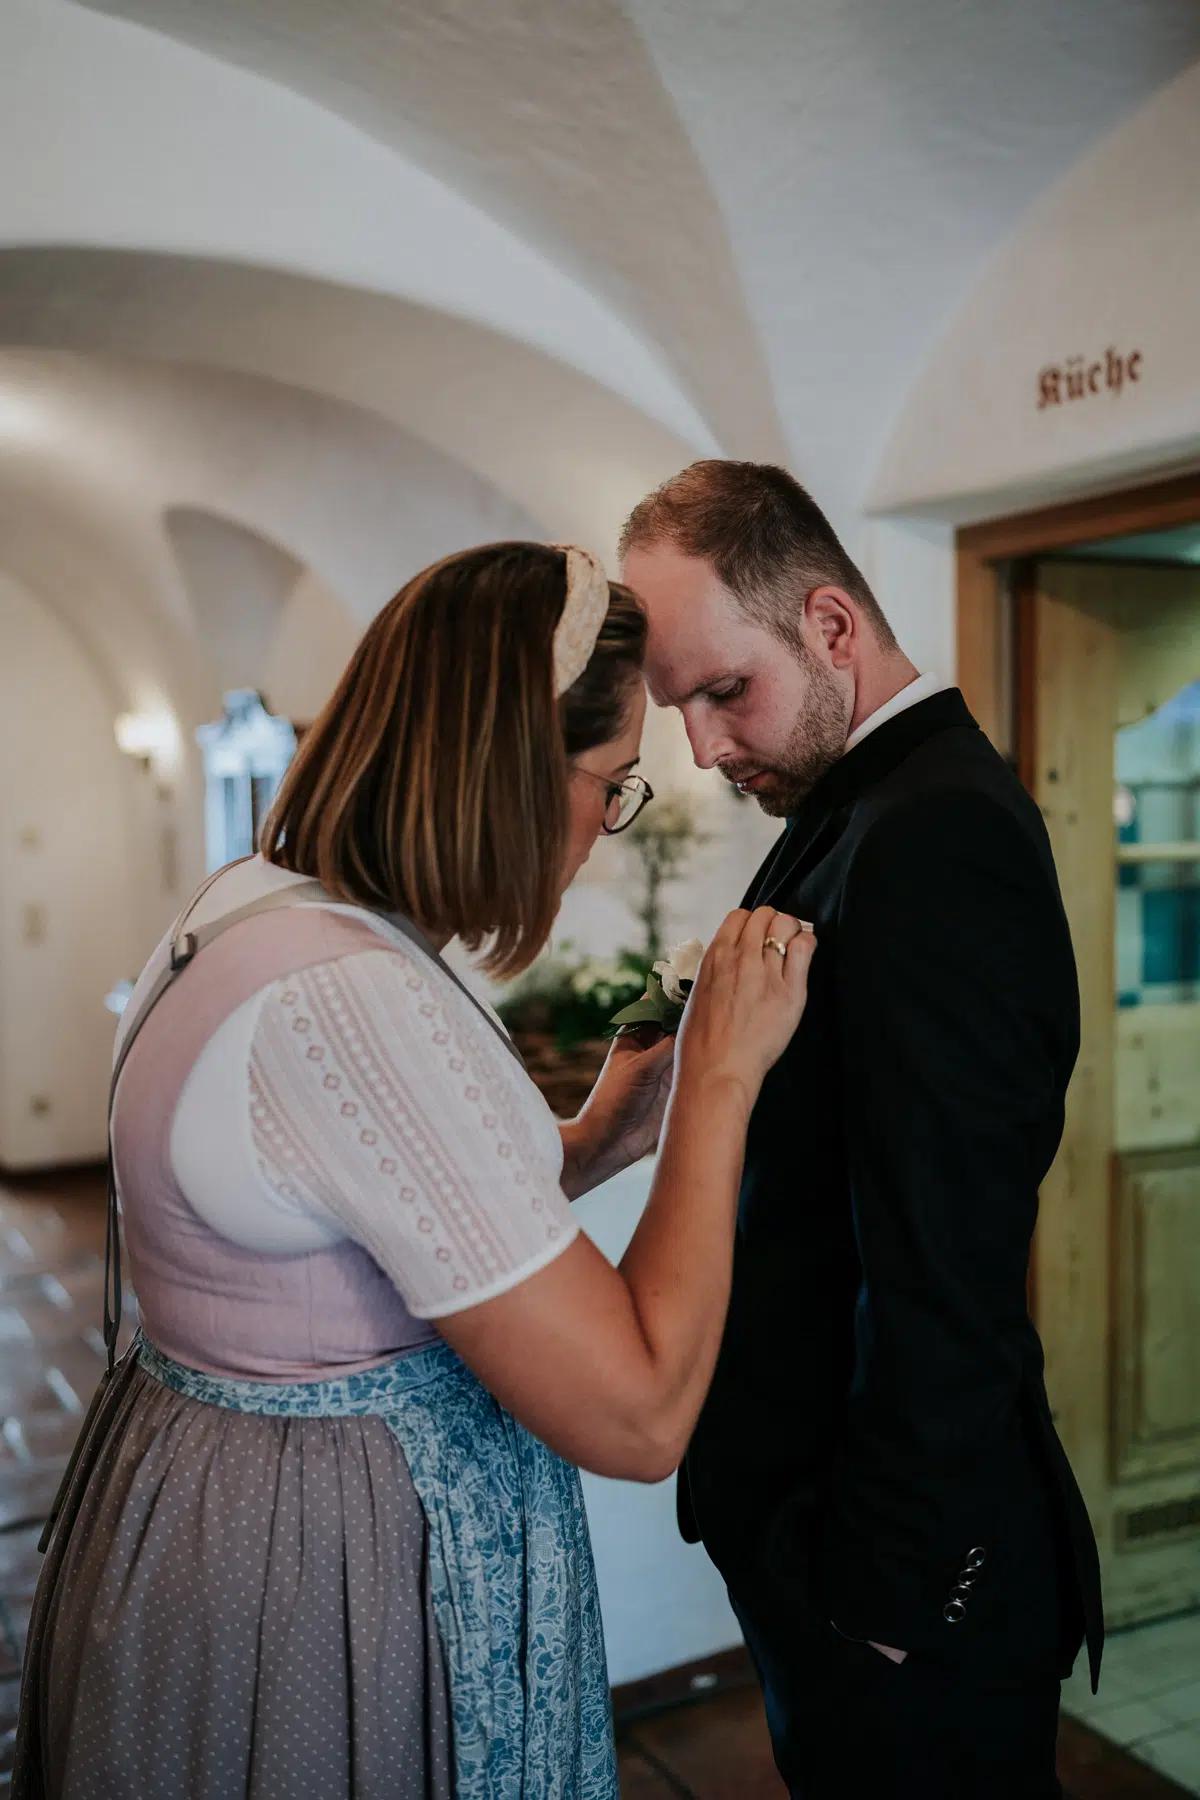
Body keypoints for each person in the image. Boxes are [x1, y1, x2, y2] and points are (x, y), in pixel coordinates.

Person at [13, 541, 815, 1800]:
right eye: (611, 785)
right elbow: (641, 1411)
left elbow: (405, 1218)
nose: (605, 832)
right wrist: (718, 1082)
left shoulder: (257, 901)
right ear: (511, 770)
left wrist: (606, 1131)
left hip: (207, 1493)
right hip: (319, 1567)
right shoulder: (352, 1000)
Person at [618, 463, 1103, 1800]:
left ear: (832, 625)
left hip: (901, 1586)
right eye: (680, 712)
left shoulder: (938, 835)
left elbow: (946, 1262)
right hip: (815, 1540)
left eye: (725, 692)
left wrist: (885, 1605)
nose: (706, 751)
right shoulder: (859, 807)